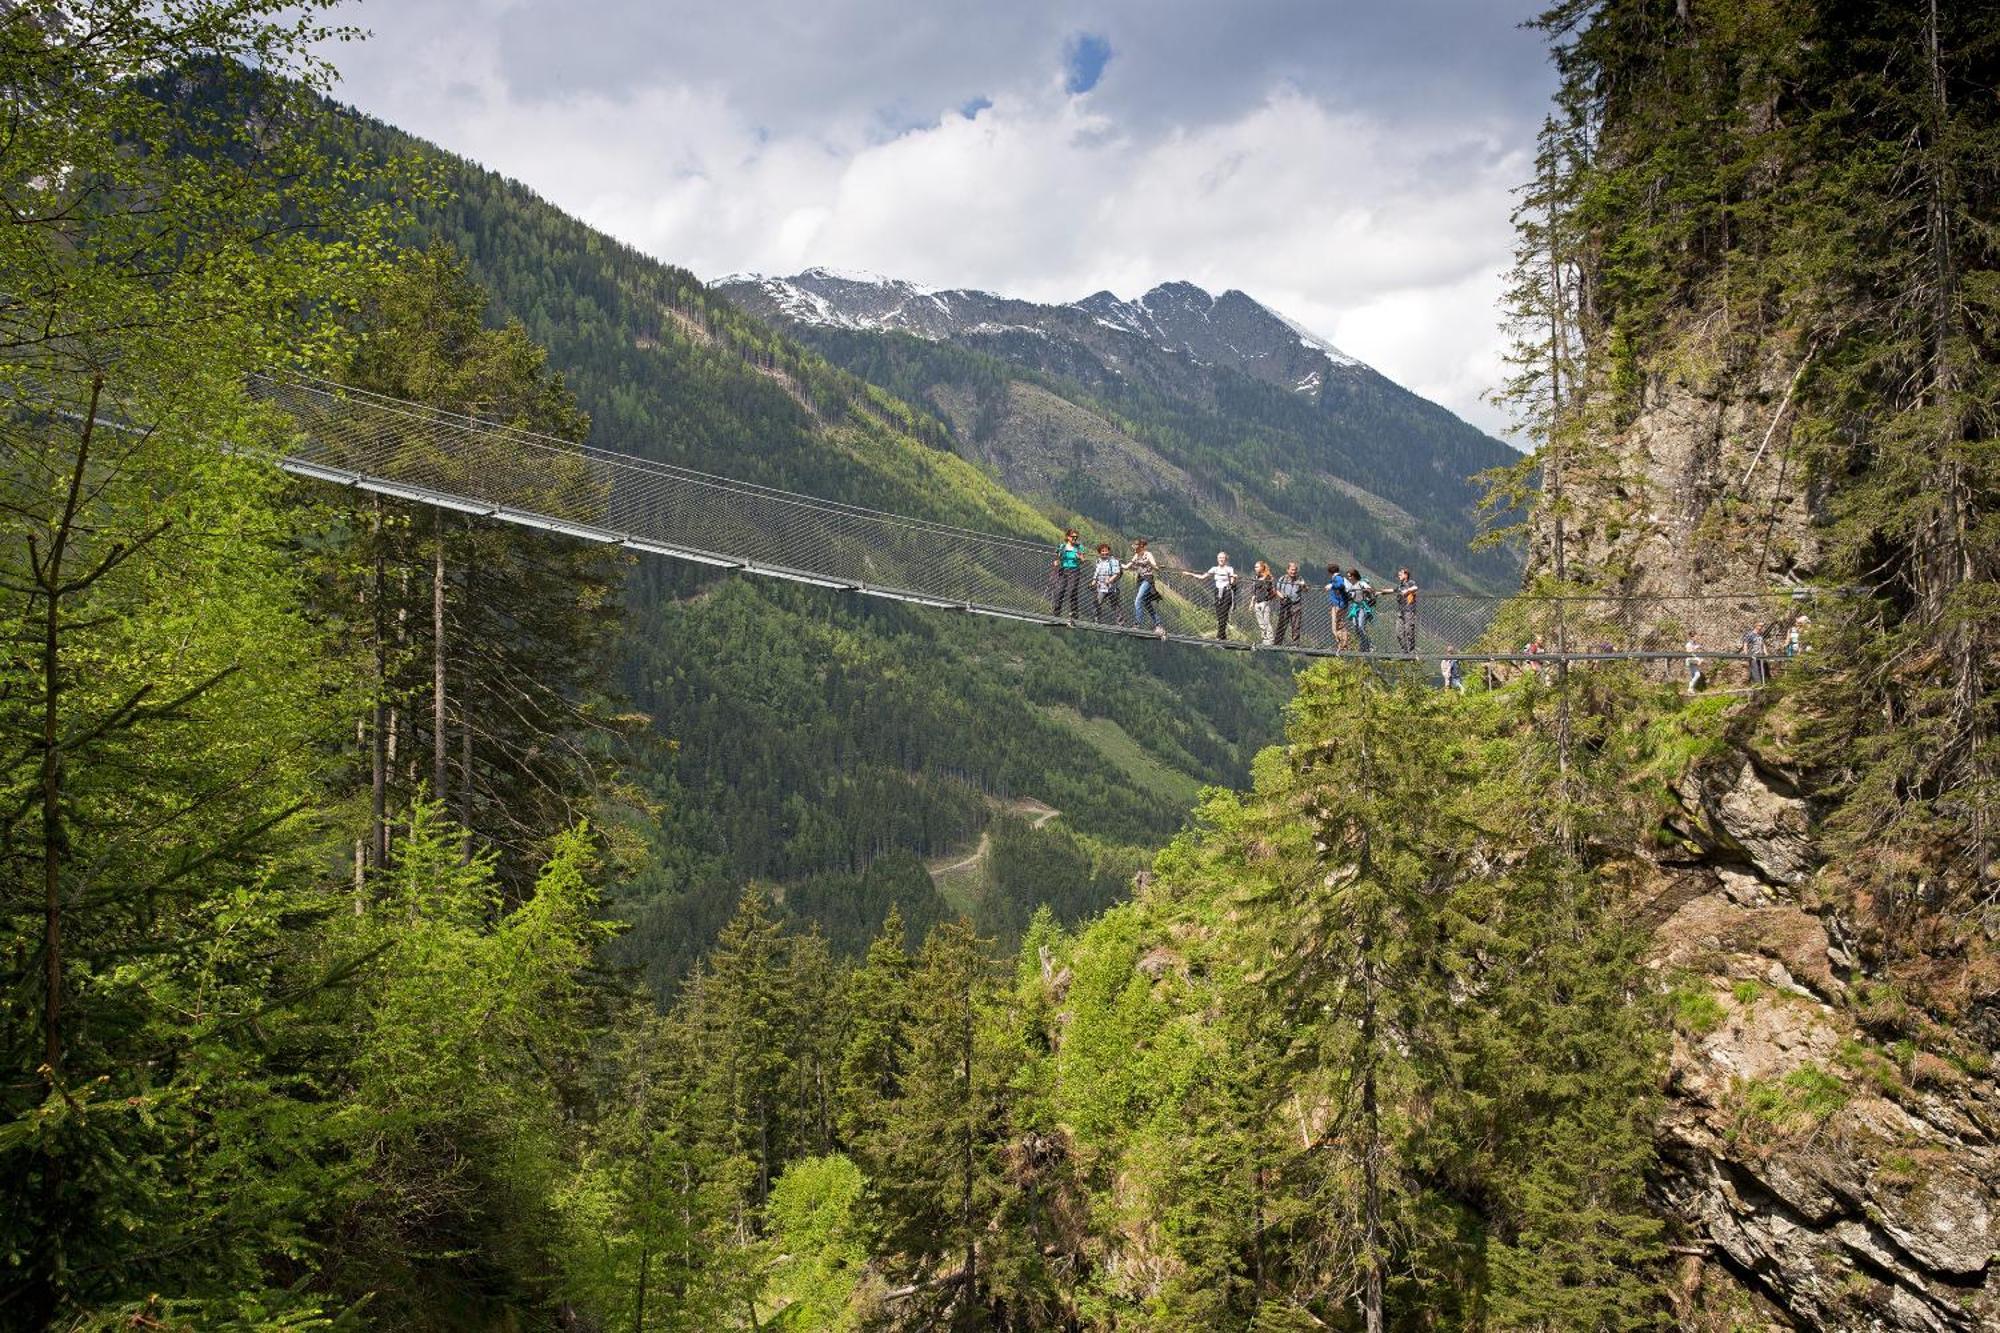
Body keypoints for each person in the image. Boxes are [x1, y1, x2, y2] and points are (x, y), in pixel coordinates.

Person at [1182, 551, 1239, 640]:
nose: (1221, 559)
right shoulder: (1214, 569)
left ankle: (1219, 636)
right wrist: (1190, 574)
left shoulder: (1229, 569)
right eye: (1219, 557)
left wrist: (1234, 578)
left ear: (1226, 559)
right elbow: (1202, 577)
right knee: (1219, 614)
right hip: (1217, 592)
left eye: (1222, 558)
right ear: (1217, 559)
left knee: (1224, 614)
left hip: (1226, 592)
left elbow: (1232, 582)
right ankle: (1223, 636)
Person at [1129, 538, 1164, 636]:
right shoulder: (1136, 555)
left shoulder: (1148, 554)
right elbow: (1128, 566)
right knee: (1147, 604)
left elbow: (1154, 565)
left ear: (1141, 547)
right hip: (1140, 580)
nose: (1134, 549)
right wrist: (1118, 564)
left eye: (1136, 547)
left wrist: (1156, 567)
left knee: (1138, 600)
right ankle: (1159, 625)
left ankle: (1137, 624)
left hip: (1147, 579)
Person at [1051, 528, 1083, 619]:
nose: (1075, 538)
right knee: (1060, 591)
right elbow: (1057, 557)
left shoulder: (1079, 547)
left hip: (1074, 570)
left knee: (1072, 590)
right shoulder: (1062, 546)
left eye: (1076, 537)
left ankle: (1074, 613)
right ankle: (1056, 613)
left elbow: (1083, 560)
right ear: (1068, 537)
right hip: (1063, 569)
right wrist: (1056, 561)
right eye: (1073, 537)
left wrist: (1079, 557)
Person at [1090, 543, 1124, 624]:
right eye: (1102, 551)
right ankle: (1096, 620)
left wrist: (1109, 580)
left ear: (1109, 551)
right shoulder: (1098, 561)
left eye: (1106, 551)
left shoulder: (1113, 561)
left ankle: (1120, 623)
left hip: (1112, 587)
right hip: (1101, 586)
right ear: (1099, 552)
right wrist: (1094, 581)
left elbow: (1117, 573)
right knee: (1097, 602)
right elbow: (1097, 572)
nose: (1105, 553)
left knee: (1114, 605)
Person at [1275, 561, 1306, 643]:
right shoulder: (1282, 579)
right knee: (1282, 623)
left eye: (1295, 570)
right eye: (1292, 570)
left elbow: (1306, 590)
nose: (1293, 572)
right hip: (1285, 604)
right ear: (1287, 570)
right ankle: (1278, 642)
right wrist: (1282, 596)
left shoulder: (1300, 579)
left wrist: (1303, 585)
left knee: (1296, 625)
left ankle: (1295, 644)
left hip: (1296, 604)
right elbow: (1277, 590)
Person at [1250, 560, 1278, 644]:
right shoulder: (1255, 578)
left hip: (1265, 602)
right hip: (1257, 602)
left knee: (1266, 621)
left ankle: (1270, 639)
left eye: (1257, 567)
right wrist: (1252, 602)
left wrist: (1267, 600)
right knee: (1260, 622)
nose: (1255, 568)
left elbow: (1270, 590)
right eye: (1255, 567)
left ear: (1262, 567)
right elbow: (1254, 592)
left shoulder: (1267, 578)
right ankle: (1264, 639)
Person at [1347, 569, 1375, 651]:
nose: (1348, 578)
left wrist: (1365, 590)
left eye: (1350, 576)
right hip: (1355, 608)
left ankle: (1369, 645)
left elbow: (1370, 589)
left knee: (1360, 626)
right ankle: (1364, 644)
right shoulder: (1352, 586)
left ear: (1354, 576)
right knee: (1356, 626)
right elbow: (1352, 597)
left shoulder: (1361, 583)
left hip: (1362, 607)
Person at [1394, 568, 1420, 653]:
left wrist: (1407, 591)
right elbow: (1392, 590)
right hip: (1400, 611)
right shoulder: (1400, 586)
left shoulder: (1410, 583)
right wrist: (1380, 592)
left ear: (1406, 575)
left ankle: (1411, 650)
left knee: (1409, 630)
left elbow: (1416, 587)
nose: (1399, 576)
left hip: (1409, 610)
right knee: (1399, 632)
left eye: (1400, 574)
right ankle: (1404, 650)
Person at [1326, 564, 1351, 649]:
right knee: (1337, 625)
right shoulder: (1336, 578)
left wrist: (1331, 585)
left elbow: (1340, 585)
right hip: (1339, 604)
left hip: (1339, 604)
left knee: (1337, 625)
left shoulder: (1337, 578)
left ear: (1329, 572)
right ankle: (1342, 644)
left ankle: (1344, 643)